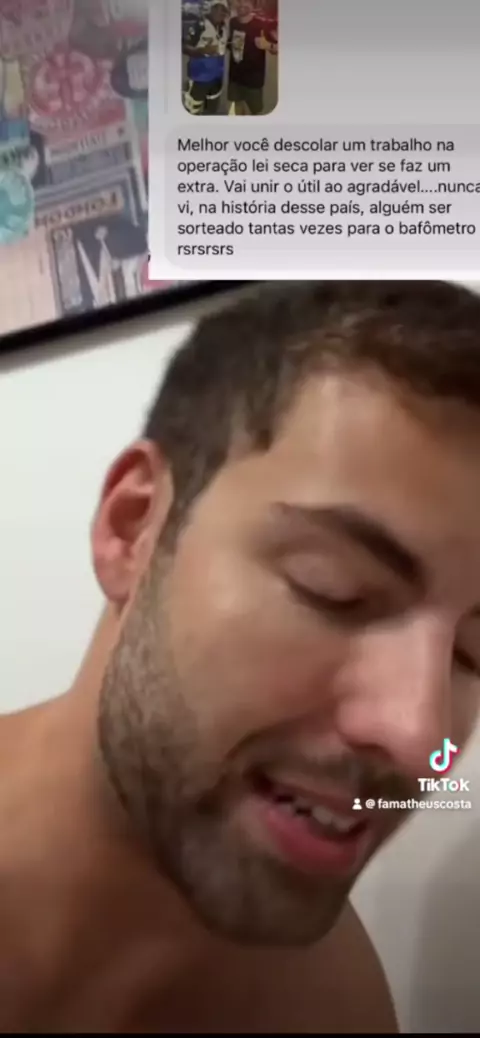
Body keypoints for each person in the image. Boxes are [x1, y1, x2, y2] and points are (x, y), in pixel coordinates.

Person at [2, 280, 480, 1032]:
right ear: (134, 527)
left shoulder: (336, 1014)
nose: (423, 739)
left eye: (473, 656)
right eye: (335, 590)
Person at [227, 0, 277, 115]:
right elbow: (230, 43)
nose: (241, 4)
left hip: (253, 80)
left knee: (254, 111)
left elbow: (277, 49)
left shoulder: (262, 24)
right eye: (239, 1)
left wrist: (268, 45)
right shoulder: (232, 22)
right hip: (234, 77)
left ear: (253, 5)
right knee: (238, 105)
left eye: (246, 1)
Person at [182, 0, 230, 115]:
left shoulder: (224, 27)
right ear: (212, 8)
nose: (221, 13)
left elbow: (225, 45)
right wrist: (201, 51)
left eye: (224, 10)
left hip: (217, 78)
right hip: (199, 79)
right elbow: (184, 47)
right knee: (193, 111)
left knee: (211, 110)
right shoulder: (199, 25)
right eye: (218, 8)